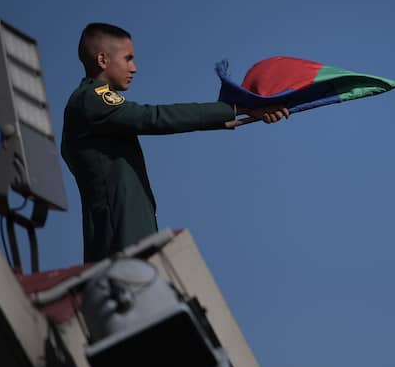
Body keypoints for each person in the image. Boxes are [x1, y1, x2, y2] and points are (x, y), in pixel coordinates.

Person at [61, 22, 288, 263]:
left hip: (120, 234)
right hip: (121, 236)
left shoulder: (93, 106)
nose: (134, 68)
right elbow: (154, 118)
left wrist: (241, 114)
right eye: (128, 59)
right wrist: (233, 109)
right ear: (103, 60)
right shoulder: (92, 99)